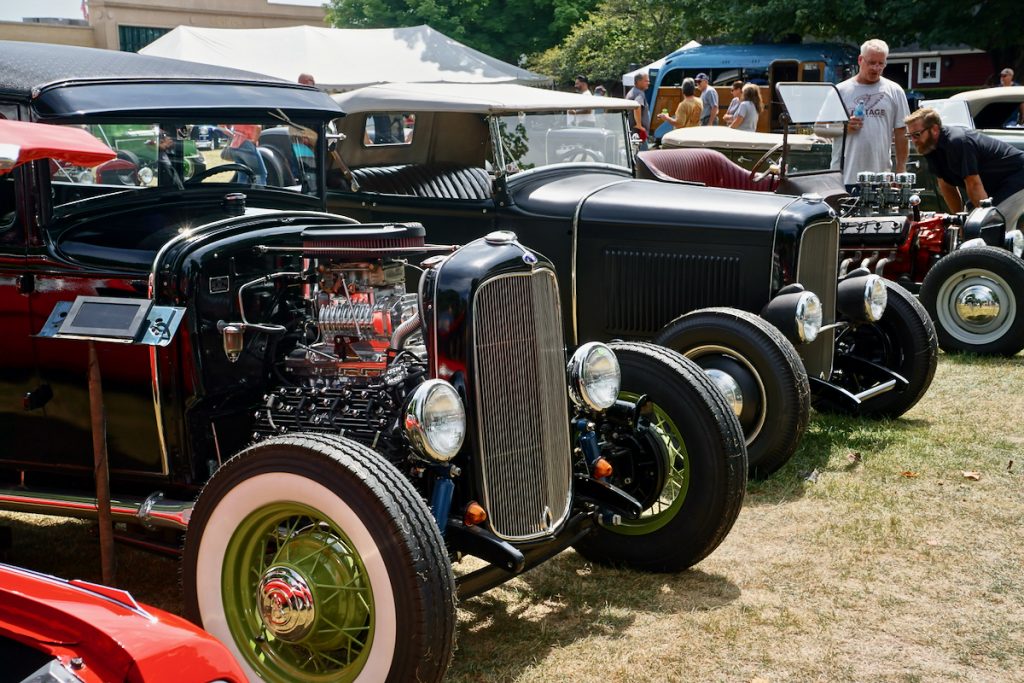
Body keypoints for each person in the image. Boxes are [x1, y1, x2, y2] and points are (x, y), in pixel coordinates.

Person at [905, 107, 1024, 229]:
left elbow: (973, 184)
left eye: (917, 135)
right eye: (910, 136)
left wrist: (980, 224)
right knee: (969, 225)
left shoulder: (957, 142)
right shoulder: (929, 147)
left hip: (1017, 178)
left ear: (934, 129)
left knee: (993, 227)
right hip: (993, 186)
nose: (914, 140)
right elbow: (946, 186)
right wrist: (959, 221)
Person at [822, 38, 910, 187]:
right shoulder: (840, 91)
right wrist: (844, 128)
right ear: (860, 60)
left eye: (880, 63)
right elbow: (819, 129)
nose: (876, 68)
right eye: (871, 62)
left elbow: (902, 132)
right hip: (844, 177)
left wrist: (901, 168)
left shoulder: (895, 91)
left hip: (881, 178)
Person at [625, 73, 651, 150]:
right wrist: (639, 125)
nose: (648, 83)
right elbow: (637, 106)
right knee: (643, 157)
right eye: (646, 81)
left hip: (633, 131)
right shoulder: (639, 93)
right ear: (638, 81)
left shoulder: (632, 92)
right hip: (638, 133)